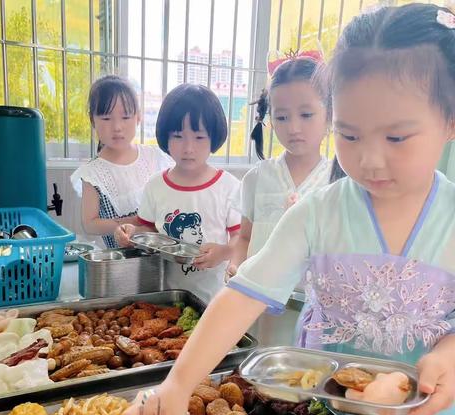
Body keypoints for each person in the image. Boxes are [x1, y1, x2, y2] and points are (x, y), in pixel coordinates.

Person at [119, 4, 455, 415]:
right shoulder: (320, 212)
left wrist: (448, 353)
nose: (371, 160)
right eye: (350, 134)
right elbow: (241, 296)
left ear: (450, 120)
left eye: (397, 137)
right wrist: (174, 387)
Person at [114, 84, 241, 303]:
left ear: (214, 138)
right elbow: (149, 229)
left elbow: (242, 237)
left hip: (214, 299)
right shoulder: (155, 186)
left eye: (199, 137)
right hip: (165, 296)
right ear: (165, 137)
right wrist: (131, 232)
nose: (188, 147)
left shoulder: (228, 186)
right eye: (178, 136)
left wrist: (224, 252)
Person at [229, 53, 331, 274]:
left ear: (330, 115)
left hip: (313, 304)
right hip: (258, 299)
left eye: (306, 114)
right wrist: (235, 266)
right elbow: (245, 238)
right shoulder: (257, 178)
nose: (293, 127)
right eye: (282, 117)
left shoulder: (339, 180)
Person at [71, 75, 172, 248]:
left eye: (125, 117)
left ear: (138, 118)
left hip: (160, 255)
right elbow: (89, 223)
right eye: (106, 118)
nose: (117, 127)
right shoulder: (92, 173)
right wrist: (129, 223)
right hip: (120, 262)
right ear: (92, 120)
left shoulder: (155, 157)